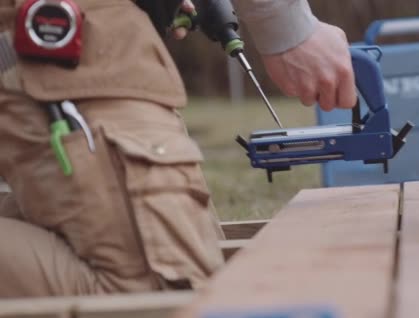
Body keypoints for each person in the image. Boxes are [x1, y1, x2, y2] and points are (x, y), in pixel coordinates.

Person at [0, 0, 356, 297]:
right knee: (159, 297)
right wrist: (287, 26)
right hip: (59, 43)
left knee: (191, 253)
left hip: (91, 48)